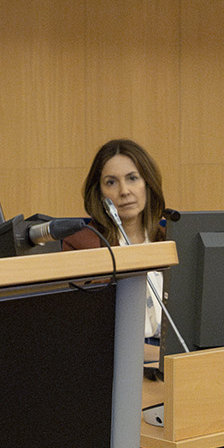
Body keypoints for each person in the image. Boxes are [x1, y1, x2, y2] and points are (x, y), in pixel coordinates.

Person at [64, 138, 171, 340]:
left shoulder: (168, 240)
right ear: (99, 193)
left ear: (147, 184)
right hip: (122, 355)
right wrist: (156, 355)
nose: (124, 191)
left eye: (132, 178)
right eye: (111, 182)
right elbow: (88, 333)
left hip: (173, 352)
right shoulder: (83, 245)